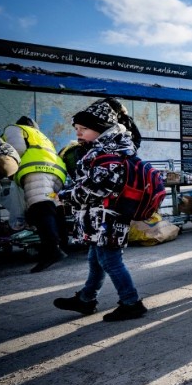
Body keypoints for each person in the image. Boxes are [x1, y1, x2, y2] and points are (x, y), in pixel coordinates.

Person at [53, 99, 148, 322]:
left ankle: (131, 302)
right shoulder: (102, 149)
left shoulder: (111, 152)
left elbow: (99, 188)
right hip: (100, 217)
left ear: (102, 128)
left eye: (84, 129)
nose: (79, 133)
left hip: (108, 217)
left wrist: (66, 196)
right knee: (97, 259)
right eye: (77, 129)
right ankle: (86, 299)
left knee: (110, 261)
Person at [3, 117, 69, 272]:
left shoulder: (14, 128)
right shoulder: (40, 135)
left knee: (41, 208)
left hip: (37, 171)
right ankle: (62, 243)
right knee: (54, 205)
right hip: (56, 173)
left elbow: (17, 150)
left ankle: (52, 250)